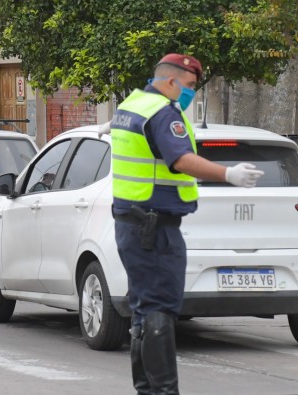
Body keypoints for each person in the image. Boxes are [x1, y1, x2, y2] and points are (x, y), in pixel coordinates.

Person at [111, 53, 264, 394]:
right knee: (159, 310)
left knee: (143, 310)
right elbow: (181, 159)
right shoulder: (163, 113)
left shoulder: (131, 105)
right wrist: (228, 174)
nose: (191, 93)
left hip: (131, 225)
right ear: (171, 81)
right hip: (155, 230)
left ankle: (148, 390)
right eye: (190, 85)